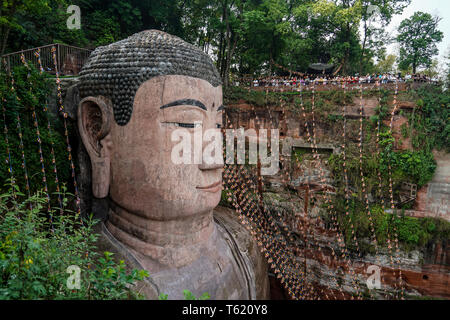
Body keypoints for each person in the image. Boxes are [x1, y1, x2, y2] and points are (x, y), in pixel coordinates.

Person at [76, 30, 269, 300]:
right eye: (187, 124)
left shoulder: (242, 240)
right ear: (97, 132)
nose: (216, 160)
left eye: (217, 126)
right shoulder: (88, 278)